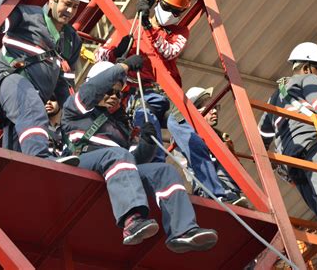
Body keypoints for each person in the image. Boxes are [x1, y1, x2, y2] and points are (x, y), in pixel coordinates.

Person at [61, 59, 219, 253]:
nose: (114, 96)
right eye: (109, 91)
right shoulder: (76, 109)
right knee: (117, 154)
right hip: (83, 162)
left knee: (165, 170)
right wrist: (123, 68)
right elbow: (94, 88)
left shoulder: (119, 125)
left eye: (118, 93)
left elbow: (132, 161)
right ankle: (132, 221)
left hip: (114, 166)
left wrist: (147, 142)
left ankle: (183, 230)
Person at [95, 0, 229, 200]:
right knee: (150, 129)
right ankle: (158, 183)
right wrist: (117, 53)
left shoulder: (179, 32)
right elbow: (101, 56)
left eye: (177, 12)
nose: (171, 14)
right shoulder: (129, 26)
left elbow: (168, 51)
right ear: (157, 1)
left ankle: (215, 191)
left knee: (190, 137)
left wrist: (148, 25)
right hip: (140, 94)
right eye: (167, 8)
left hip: (168, 95)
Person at [0, 0, 89, 165]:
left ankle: (25, 171)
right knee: (31, 106)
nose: (70, 11)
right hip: (6, 79)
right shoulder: (25, 16)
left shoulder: (72, 41)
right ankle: (41, 161)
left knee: (19, 150)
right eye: (67, 3)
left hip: (33, 99)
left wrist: (72, 116)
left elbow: (64, 85)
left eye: (75, 6)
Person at [258, 42, 317, 221]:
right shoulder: (308, 80)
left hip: (292, 165)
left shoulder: (274, 98)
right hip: (314, 151)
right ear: (308, 68)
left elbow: (261, 137)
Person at [184, 87, 247, 205]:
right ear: (196, 112)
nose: (214, 111)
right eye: (209, 108)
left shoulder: (221, 137)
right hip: (209, 192)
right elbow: (190, 169)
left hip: (232, 192)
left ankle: (230, 197)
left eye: (215, 107)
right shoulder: (186, 137)